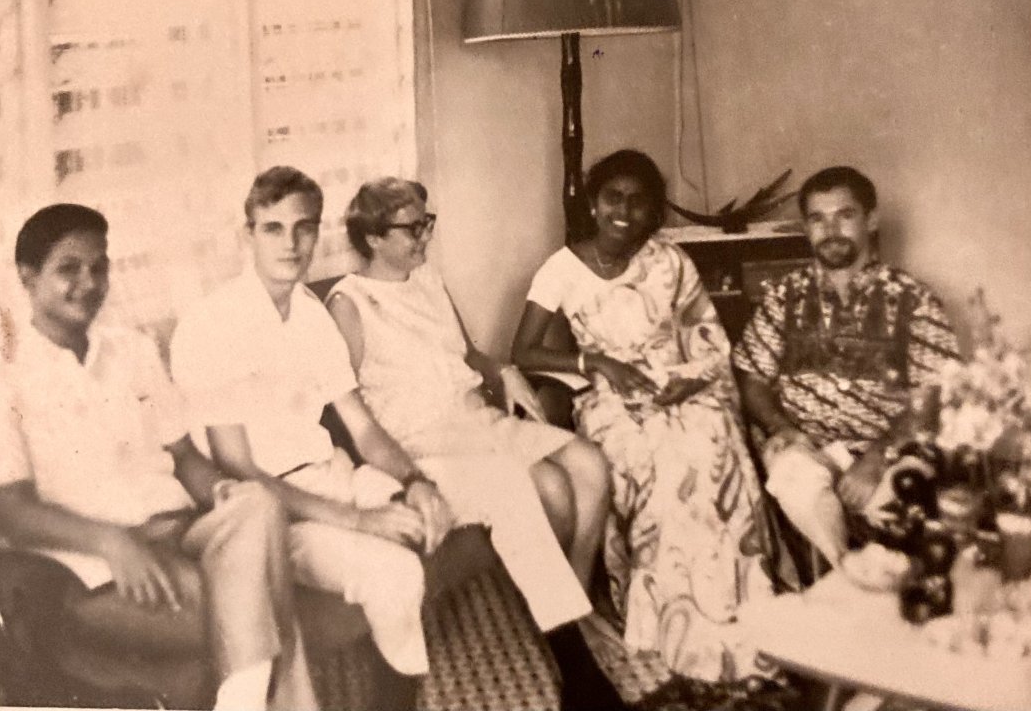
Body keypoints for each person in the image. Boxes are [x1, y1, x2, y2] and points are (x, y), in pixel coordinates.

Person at [0, 204, 317, 711]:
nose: (89, 282)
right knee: (249, 597)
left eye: (99, 266)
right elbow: (11, 511)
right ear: (28, 276)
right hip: (92, 566)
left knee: (257, 502)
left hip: (181, 533)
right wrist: (110, 543)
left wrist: (218, 490)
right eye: (68, 268)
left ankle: (243, 697)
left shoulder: (132, 350)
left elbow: (184, 458)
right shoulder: (1, 381)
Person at [326, 176, 628, 711]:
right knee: (550, 488)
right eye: (411, 228)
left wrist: (504, 370)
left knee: (589, 464)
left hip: (475, 418)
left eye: (427, 223)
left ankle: (570, 606)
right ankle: (570, 649)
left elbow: (469, 355)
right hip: (421, 441)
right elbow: (344, 408)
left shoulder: (429, 281)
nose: (424, 237)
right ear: (372, 238)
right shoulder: (350, 304)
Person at [513, 149, 794, 683]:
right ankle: (670, 620)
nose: (625, 212)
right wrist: (592, 360)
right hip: (610, 396)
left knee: (713, 444)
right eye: (613, 198)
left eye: (639, 203)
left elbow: (707, 336)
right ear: (594, 205)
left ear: (654, 214)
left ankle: (739, 608)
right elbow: (523, 350)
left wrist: (685, 379)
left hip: (684, 383)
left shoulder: (671, 261)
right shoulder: (562, 267)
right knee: (659, 465)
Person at [170, 166, 454, 679]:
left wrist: (416, 482)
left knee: (428, 514)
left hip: (333, 475)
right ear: (248, 235)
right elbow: (239, 471)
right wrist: (361, 522)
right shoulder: (211, 324)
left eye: (304, 227)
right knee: (394, 573)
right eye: (273, 228)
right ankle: (398, 696)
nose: (292, 243)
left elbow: (363, 430)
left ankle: (387, 672)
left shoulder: (311, 315)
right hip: (271, 514)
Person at [732, 166, 961, 568]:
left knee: (906, 512)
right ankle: (843, 576)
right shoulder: (784, 296)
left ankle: (870, 587)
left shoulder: (913, 299)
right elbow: (752, 378)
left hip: (888, 452)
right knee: (793, 477)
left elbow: (935, 395)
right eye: (818, 219)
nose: (831, 230)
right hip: (807, 447)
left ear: (870, 220)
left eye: (845, 215)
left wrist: (876, 458)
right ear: (806, 227)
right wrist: (782, 428)